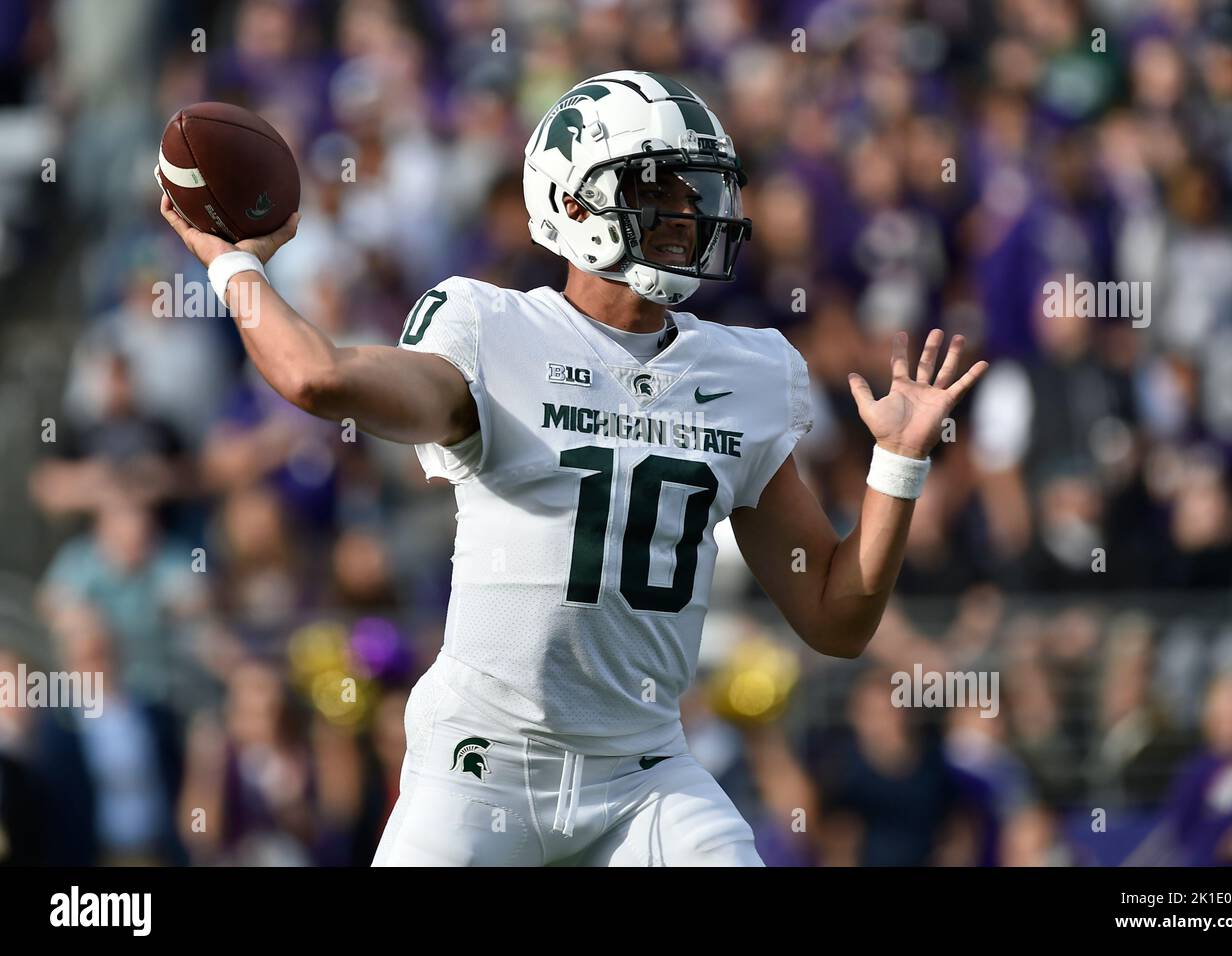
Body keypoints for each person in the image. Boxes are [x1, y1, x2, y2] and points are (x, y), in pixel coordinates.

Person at [157, 71, 987, 866]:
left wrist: (897, 466)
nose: (687, 209)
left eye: (693, 188)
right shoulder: (491, 329)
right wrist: (235, 264)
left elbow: (836, 619)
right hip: (480, 763)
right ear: (572, 200)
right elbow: (315, 377)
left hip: (644, 773)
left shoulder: (746, 373)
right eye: (657, 187)